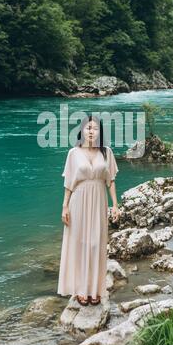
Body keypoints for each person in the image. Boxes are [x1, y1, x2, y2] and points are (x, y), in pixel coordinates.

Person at [57, 115, 120, 306]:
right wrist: (65, 206)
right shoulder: (73, 153)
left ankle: (95, 289)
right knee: (80, 243)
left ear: (100, 132)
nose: (91, 131)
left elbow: (110, 181)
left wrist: (115, 205)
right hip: (78, 200)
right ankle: (81, 289)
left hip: (99, 200)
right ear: (82, 131)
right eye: (88, 128)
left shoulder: (106, 152)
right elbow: (68, 183)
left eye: (95, 128)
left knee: (96, 243)